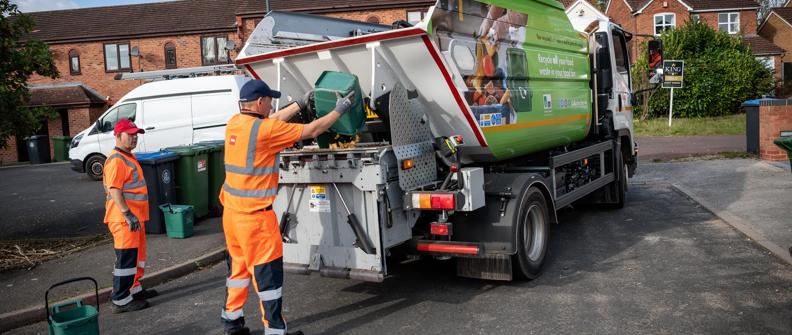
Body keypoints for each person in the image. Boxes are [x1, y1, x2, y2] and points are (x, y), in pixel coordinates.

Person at [219, 79, 354, 335]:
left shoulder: (234, 124)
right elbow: (312, 130)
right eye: (269, 100)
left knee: (237, 272)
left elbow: (272, 121)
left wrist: (299, 104)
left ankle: (232, 323)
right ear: (260, 102)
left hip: (232, 216)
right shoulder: (266, 132)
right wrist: (341, 108)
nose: (272, 105)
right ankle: (275, 331)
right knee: (268, 278)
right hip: (256, 221)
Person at [103, 119, 158, 313]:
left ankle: (133, 288)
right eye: (130, 134)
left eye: (136, 134)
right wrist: (128, 214)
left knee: (136, 257)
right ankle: (121, 299)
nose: (134, 138)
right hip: (124, 219)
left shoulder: (127, 157)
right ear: (118, 136)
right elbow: (115, 190)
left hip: (134, 218)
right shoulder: (117, 161)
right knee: (125, 260)